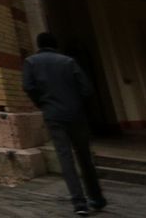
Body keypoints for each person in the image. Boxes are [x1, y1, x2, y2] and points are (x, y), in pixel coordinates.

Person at [23, 32, 106, 215]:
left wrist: (43, 103)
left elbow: (28, 87)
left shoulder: (31, 62)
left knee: (65, 159)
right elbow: (87, 89)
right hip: (76, 115)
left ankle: (79, 203)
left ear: (39, 44)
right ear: (55, 44)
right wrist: (76, 103)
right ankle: (97, 198)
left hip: (53, 115)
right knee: (85, 157)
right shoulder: (68, 62)